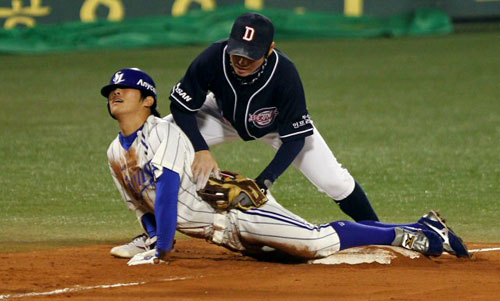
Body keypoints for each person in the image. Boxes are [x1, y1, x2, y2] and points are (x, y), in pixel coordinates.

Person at [101, 68, 469, 265]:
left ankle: (412, 230)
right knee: (288, 259)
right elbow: (140, 204)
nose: (115, 93)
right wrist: (151, 236)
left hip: (239, 213)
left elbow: (165, 190)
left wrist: (163, 248)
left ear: (149, 100)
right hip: (221, 233)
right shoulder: (115, 153)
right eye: (111, 91)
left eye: (125, 89)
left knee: (314, 242)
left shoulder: (164, 131)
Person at [166, 12, 378, 224]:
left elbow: (295, 139)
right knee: (159, 137)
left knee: (335, 182)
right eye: (237, 52)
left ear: (269, 49)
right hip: (222, 118)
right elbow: (181, 106)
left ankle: (380, 233)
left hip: (277, 125)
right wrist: (200, 149)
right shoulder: (213, 56)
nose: (241, 60)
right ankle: (154, 232)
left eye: (251, 55)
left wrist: (262, 183)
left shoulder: (285, 73)